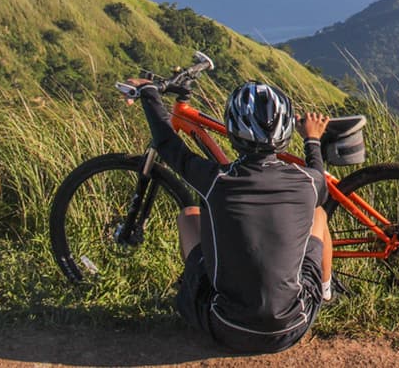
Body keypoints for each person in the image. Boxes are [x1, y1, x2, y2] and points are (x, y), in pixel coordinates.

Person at [124, 78, 333, 353]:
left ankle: (198, 288)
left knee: (189, 216)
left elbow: (166, 141)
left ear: (232, 131)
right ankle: (326, 290)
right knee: (318, 214)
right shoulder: (308, 182)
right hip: (292, 326)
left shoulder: (214, 180)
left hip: (226, 327)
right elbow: (319, 175)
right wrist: (313, 139)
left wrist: (149, 92)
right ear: (286, 132)